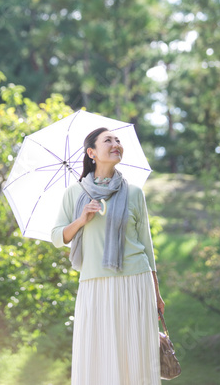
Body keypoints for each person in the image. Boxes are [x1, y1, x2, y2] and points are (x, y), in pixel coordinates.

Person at [51, 127, 165, 385]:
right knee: (97, 356)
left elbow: (147, 245)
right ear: (92, 152)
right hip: (94, 283)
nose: (116, 144)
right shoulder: (75, 193)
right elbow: (58, 236)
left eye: (118, 140)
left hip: (136, 281)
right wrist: (81, 220)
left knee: (135, 356)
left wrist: (156, 294)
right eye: (108, 141)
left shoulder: (134, 193)